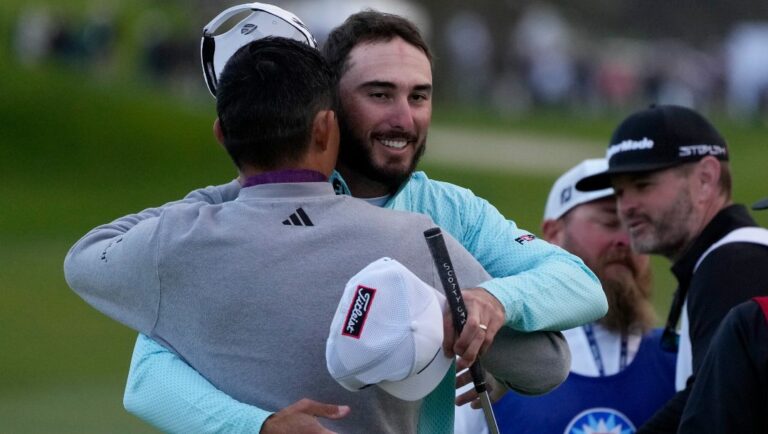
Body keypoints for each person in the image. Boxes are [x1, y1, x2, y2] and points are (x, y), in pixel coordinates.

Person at [121, 6, 606, 433]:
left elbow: (580, 284)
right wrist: (258, 427)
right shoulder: (251, 202)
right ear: (328, 106)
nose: (404, 118)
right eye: (380, 94)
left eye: (419, 96)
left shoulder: (451, 211)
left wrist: (492, 303)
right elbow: (148, 373)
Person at [576, 104, 768, 432]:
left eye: (643, 185)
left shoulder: (732, 264)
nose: (627, 207)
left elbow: (716, 404)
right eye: (619, 192)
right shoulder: (727, 259)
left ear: (705, 179)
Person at [456, 159, 676, 434]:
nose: (625, 240)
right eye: (610, 221)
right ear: (553, 234)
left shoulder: (678, 359)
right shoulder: (496, 361)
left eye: (636, 226)